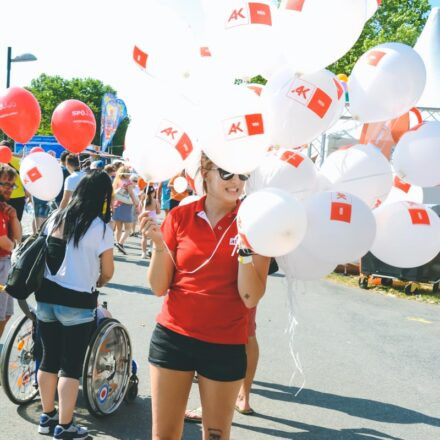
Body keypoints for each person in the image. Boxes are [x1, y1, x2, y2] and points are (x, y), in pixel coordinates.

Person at [140, 153, 271, 440]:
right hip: (172, 337)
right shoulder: (179, 216)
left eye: (242, 175)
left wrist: (247, 245)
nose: (236, 182)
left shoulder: (256, 223)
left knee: (215, 435)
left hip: (224, 345)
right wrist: (160, 246)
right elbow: (158, 287)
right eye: (227, 173)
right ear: (206, 172)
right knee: (163, 436)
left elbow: (250, 297)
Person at [35, 171, 114, 439]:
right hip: (78, 303)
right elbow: (109, 271)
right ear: (103, 196)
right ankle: (65, 426)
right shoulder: (100, 227)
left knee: (48, 359)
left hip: (46, 298)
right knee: (70, 365)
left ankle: (46, 417)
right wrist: (98, 278)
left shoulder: (57, 216)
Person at [0, 164, 21, 339]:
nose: (9, 188)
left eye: (12, 185)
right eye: (5, 183)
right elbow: (7, 244)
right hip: (1, 263)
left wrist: (13, 217)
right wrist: (14, 246)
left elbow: (18, 236)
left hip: (5, 264)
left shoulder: (5, 208)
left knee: (6, 314)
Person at [112, 166, 138, 254]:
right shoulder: (128, 182)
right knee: (128, 228)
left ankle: (118, 244)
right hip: (126, 206)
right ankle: (120, 243)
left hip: (116, 205)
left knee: (118, 229)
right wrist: (136, 203)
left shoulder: (116, 181)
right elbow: (131, 194)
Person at [1, 140, 27, 221]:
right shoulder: (19, 161)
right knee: (17, 221)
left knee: (3, 222)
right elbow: (26, 178)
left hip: (2, 196)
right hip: (19, 196)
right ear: (11, 149)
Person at [139, 185, 160, 259]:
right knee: (152, 236)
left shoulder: (142, 201)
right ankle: (150, 249)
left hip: (144, 219)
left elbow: (140, 211)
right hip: (153, 219)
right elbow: (158, 212)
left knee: (144, 237)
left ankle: (143, 253)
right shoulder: (155, 201)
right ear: (153, 192)